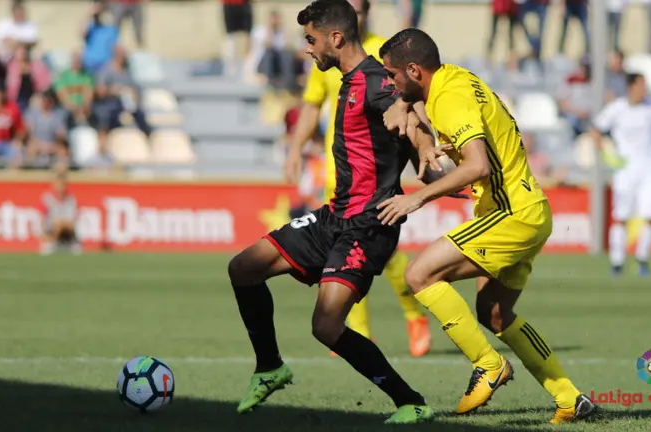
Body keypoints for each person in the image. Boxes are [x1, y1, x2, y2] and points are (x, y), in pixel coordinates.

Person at [227, 0, 434, 424]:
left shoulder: (377, 80)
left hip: (368, 225)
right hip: (333, 217)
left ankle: (410, 401)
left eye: (311, 40)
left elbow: (405, 110)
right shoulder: (346, 79)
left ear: (335, 38)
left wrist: (423, 141)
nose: (307, 48)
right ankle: (269, 367)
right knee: (243, 268)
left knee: (325, 326)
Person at [377, 28, 597, 423]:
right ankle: (570, 398)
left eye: (393, 75)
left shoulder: (450, 98)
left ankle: (488, 364)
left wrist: (417, 197)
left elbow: (477, 164)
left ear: (413, 69)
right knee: (495, 313)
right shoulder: (453, 78)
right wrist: (409, 111)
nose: (391, 83)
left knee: (419, 274)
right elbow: (431, 109)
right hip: (529, 209)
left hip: (510, 213)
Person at [288, 0, 431, 358]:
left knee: (390, 257)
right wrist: (294, 149)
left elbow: (411, 106)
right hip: (338, 179)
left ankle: (414, 314)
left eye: (361, 8)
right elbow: (311, 106)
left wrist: (423, 147)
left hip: (374, 179)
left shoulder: (384, 53)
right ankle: (359, 335)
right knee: (342, 259)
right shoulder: (323, 54)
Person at [591, 73, 651, 277]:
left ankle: (642, 259)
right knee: (621, 216)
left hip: (650, 168)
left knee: (650, 215)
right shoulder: (617, 109)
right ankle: (617, 262)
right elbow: (596, 131)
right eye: (640, 86)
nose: (644, 90)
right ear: (630, 87)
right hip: (625, 169)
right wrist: (607, 155)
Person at [40, 172, 81, 255]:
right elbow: (42, 218)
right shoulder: (47, 198)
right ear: (53, 184)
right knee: (57, 224)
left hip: (67, 230)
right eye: (58, 184)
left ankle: (70, 242)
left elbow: (73, 220)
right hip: (52, 230)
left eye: (62, 184)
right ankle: (52, 243)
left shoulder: (71, 199)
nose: (60, 186)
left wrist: (63, 224)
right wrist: (44, 234)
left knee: (65, 224)